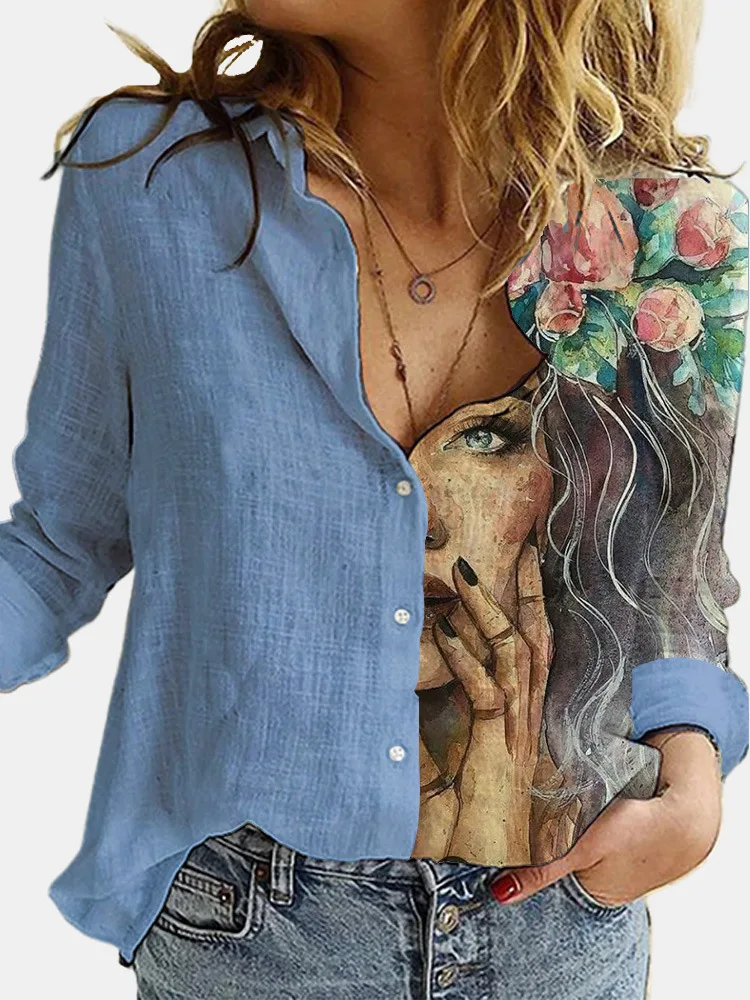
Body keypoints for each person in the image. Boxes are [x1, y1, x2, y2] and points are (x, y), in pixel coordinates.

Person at [1, 2, 748, 997]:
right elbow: (60, 542)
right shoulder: (152, 180)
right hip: (250, 936)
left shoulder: (667, 234)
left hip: (563, 929)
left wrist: (691, 791)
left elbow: (665, 583)